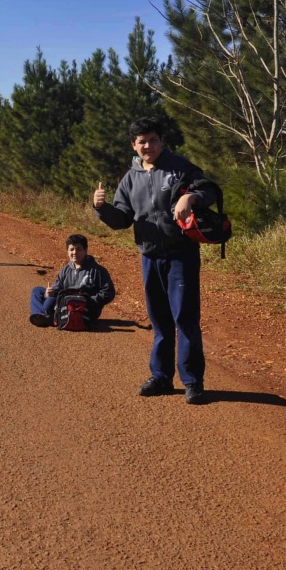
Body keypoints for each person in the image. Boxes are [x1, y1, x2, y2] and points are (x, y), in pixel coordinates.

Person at [93, 117, 218, 404]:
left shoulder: (180, 167)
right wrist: (101, 208)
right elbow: (122, 219)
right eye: (141, 142)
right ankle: (161, 377)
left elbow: (209, 190)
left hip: (181, 254)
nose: (147, 146)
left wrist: (192, 198)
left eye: (152, 140)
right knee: (160, 321)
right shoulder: (130, 178)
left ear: (161, 141)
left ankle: (192, 381)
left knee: (185, 318)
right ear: (133, 146)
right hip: (150, 256)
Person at [29, 233, 116, 327]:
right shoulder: (66, 270)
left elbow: (108, 292)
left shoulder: (97, 270)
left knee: (48, 305)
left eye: (78, 249)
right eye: (71, 249)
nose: (75, 252)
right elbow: (57, 289)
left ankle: (50, 317)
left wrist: (90, 301)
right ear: (67, 251)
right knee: (37, 291)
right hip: (66, 303)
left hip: (86, 308)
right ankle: (42, 316)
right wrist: (48, 294)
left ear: (85, 250)